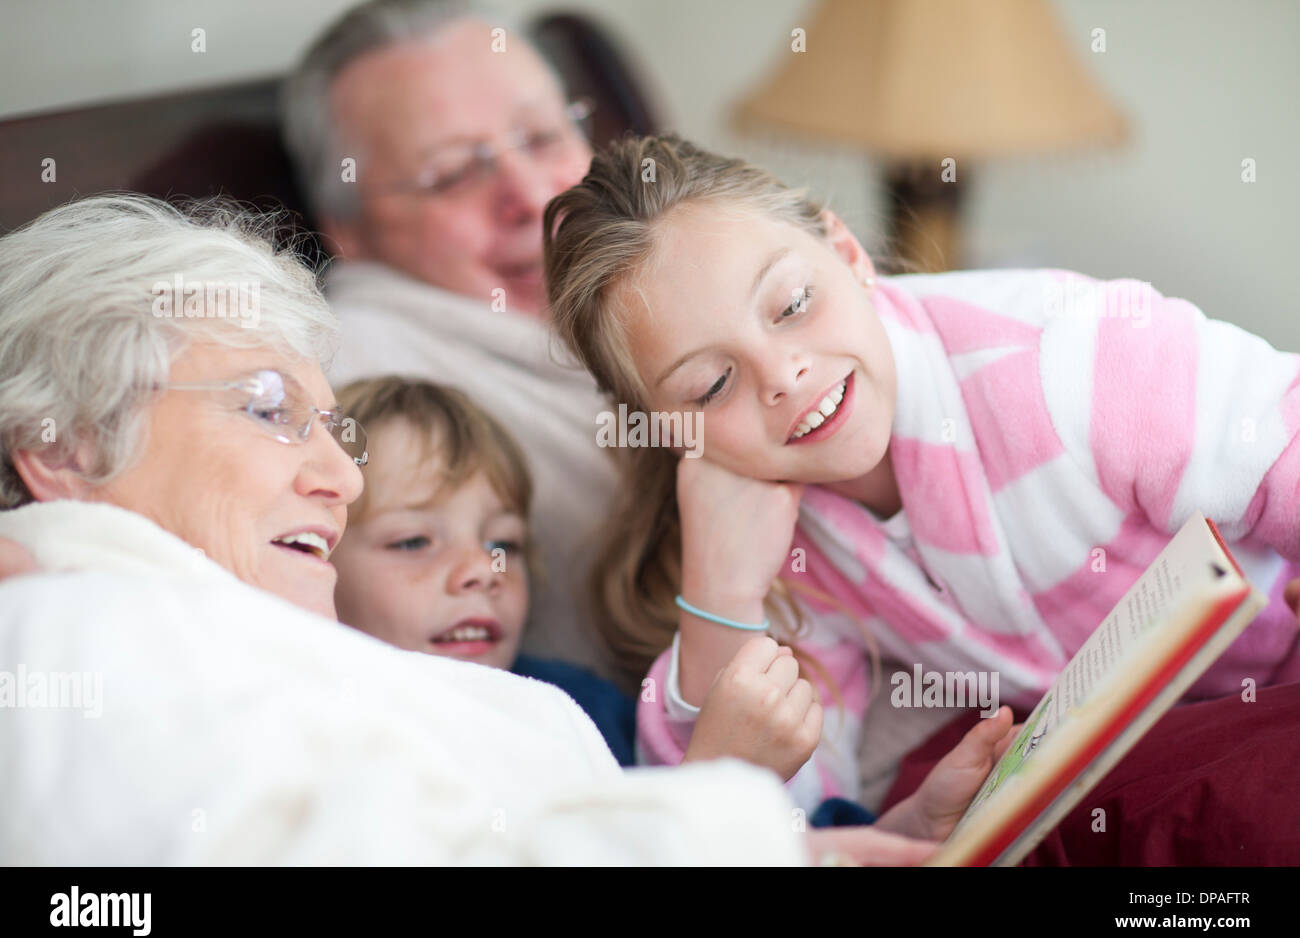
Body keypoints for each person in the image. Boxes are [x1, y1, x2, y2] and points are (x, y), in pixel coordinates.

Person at [0, 193, 986, 865]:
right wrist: (726, 817)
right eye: (265, 409)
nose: (342, 477)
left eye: (329, 426)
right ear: (65, 445)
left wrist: (806, 848)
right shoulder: (62, 638)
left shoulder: (259, 648)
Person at [540, 134, 1300, 862]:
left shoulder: (1070, 353)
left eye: (794, 305)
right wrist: (720, 596)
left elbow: (1280, 436)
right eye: (712, 385)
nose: (781, 374)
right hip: (1111, 745)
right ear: (667, 430)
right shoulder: (765, 533)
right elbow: (761, 817)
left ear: (846, 253)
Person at [281, 0, 616, 677]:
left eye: (544, 137)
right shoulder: (346, 379)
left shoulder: (674, 268)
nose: (531, 196)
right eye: (453, 175)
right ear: (350, 231)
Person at [328, 375, 637, 765]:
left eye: (503, 544)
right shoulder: (305, 721)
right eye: (413, 541)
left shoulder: (587, 712)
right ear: (315, 562)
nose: (483, 568)